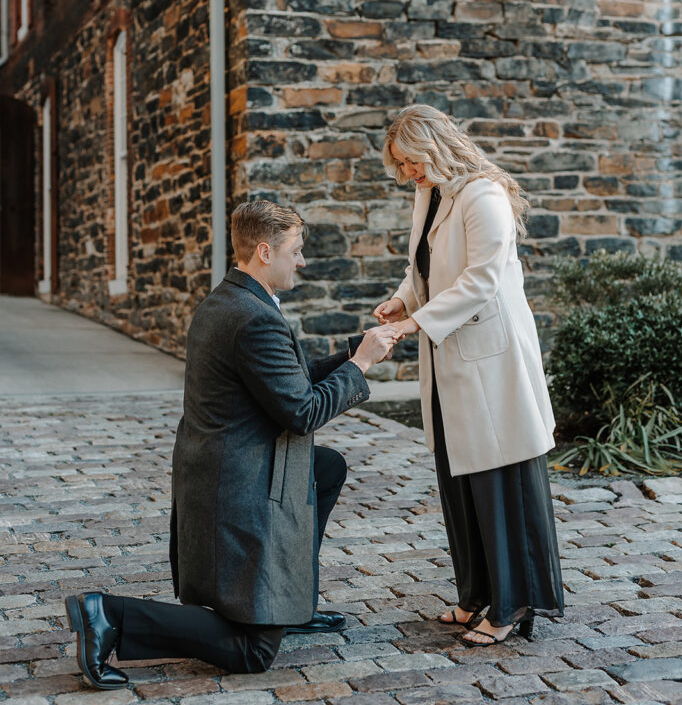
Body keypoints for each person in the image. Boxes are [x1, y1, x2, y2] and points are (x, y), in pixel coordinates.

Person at [65, 200, 399, 690]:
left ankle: (287, 602)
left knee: (325, 469)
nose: (301, 262)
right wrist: (361, 367)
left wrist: (354, 349)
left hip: (216, 470)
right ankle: (109, 614)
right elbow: (302, 413)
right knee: (253, 651)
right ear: (265, 251)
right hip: (237, 488)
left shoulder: (230, 299)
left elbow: (288, 379)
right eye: (296, 252)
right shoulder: (255, 317)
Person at [374, 105, 564, 647]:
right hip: (449, 356)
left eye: (411, 161)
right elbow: (426, 270)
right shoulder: (429, 193)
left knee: (497, 482)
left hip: (491, 361)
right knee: (459, 482)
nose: (408, 173)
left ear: (433, 146)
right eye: (402, 166)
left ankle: (511, 604)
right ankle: (475, 595)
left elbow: (480, 279)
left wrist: (416, 322)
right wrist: (399, 300)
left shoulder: (484, 195)